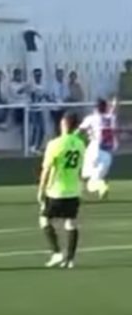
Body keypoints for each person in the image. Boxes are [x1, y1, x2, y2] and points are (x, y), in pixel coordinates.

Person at [39, 113, 86, 269]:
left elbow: (46, 169)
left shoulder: (55, 144)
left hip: (56, 191)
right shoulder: (80, 144)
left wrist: (41, 189)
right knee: (71, 222)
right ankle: (70, 259)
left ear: (64, 124)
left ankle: (56, 252)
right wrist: (81, 186)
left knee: (44, 220)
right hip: (74, 190)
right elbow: (79, 168)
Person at [78, 98, 118, 199]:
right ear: (105, 108)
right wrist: (114, 105)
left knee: (88, 180)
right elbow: (111, 112)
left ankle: (92, 188)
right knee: (95, 178)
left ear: (96, 108)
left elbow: (80, 130)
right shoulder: (111, 118)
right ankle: (101, 186)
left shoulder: (91, 118)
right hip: (108, 154)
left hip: (94, 149)